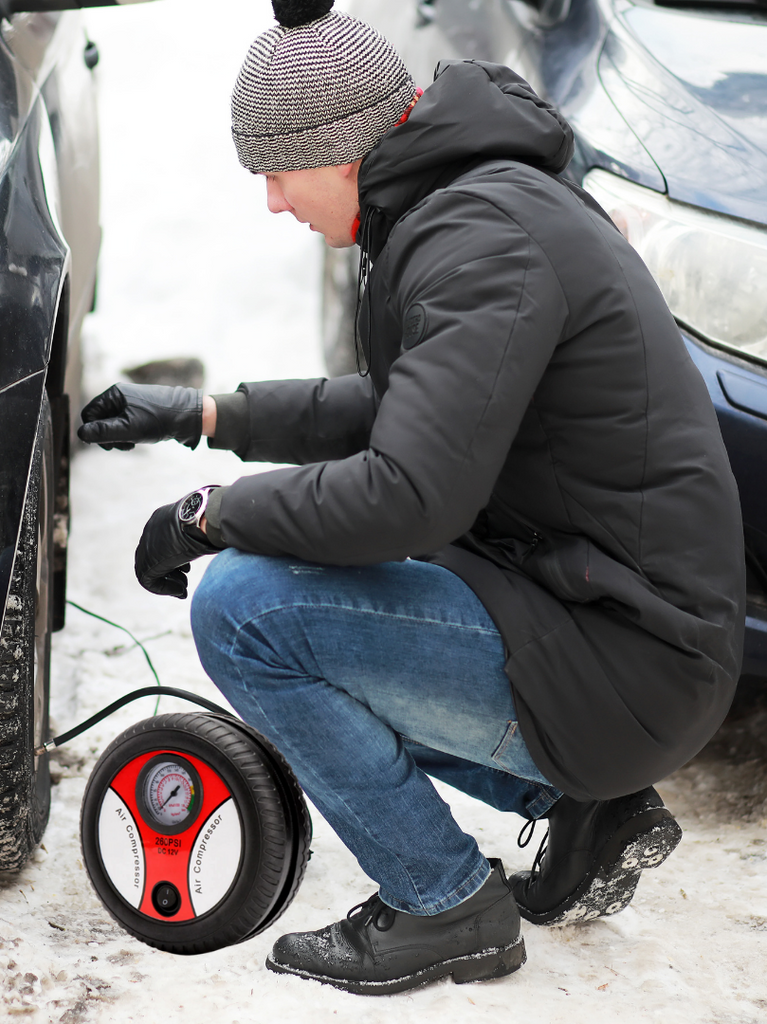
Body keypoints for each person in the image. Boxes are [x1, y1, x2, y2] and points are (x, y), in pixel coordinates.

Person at [78, 0, 745, 996]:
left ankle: (442, 904)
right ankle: (581, 810)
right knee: (336, 580)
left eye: (274, 172)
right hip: (611, 624)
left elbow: (409, 495)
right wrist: (207, 413)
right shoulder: (471, 208)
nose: (270, 202)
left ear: (335, 149)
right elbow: (400, 409)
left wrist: (213, 515)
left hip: (629, 660)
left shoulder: (476, 241)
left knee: (247, 607)